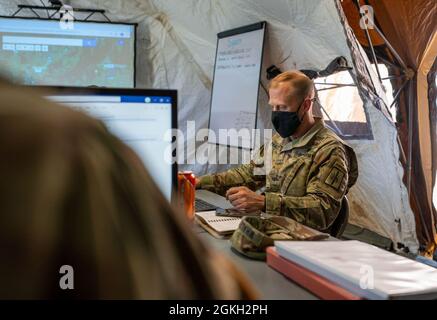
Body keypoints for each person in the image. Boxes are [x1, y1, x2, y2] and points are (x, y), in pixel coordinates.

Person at [0, 78, 256, 299]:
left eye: (279, 106)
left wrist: (266, 203)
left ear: (299, 106)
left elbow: (250, 173)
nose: (275, 110)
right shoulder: (66, 137)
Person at [196, 71, 358, 233]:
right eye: (273, 107)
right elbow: (248, 175)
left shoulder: (329, 150)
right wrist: (195, 182)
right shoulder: (279, 141)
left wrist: (264, 202)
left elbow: (322, 211)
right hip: (274, 229)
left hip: (305, 240)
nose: (276, 114)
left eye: (282, 107)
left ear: (306, 105)